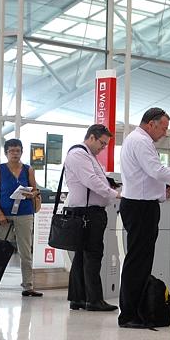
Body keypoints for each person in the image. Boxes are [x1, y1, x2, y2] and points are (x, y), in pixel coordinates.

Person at [118, 108, 170, 328]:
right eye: (163, 127)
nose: (164, 132)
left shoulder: (137, 140)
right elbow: (155, 170)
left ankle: (136, 310)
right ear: (150, 124)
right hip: (140, 208)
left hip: (140, 205)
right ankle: (129, 314)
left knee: (141, 260)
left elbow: (147, 175)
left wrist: (162, 187)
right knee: (137, 261)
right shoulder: (140, 141)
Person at [64, 124, 121, 312]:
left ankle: (79, 298)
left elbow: (96, 178)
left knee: (82, 256)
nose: (103, 148)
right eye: (102, 143)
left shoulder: (89, 156)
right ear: (91, 138)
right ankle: (93, 300)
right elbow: (91, 180)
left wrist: (109, 183)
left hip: (88, 212)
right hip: (87, 213)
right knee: (92, 256)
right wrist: (113, 193)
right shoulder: (79, 154)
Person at [0, 138, 42, 297]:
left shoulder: (28, 170)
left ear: (22, 152)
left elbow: (35, 190)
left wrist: (31, 194)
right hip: (5, 214)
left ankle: (28, 286)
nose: (15, 153)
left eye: (18, 150)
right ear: (6, 153)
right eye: (11, 151)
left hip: (24, 214)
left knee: (25, 251)